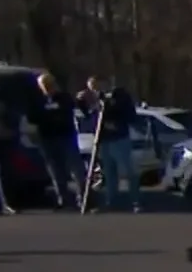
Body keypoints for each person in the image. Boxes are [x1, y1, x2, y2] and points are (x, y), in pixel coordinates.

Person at [84, 77, 141, 212]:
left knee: (128, 171)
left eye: (96, 87)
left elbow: (128, 113)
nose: (95, 90)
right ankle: (111, 201)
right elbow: (91, 116)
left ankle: (135, 201)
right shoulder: (96, 99)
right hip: (104, 140)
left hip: (119, 138)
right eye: (92, 88)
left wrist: (114, 119)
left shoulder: (119, 95)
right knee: (109, 173)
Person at [30, 73, 82, 209]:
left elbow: (65, 113)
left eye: (49, 85)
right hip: (47, 138)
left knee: (75, 169)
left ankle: (83, 198)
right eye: (43, 85)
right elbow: (33, 117)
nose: (47, 88)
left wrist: (50, 114)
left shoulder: (64, 98)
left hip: (66, 136)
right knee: (55, 171)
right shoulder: (37, 100)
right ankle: (63, 200)